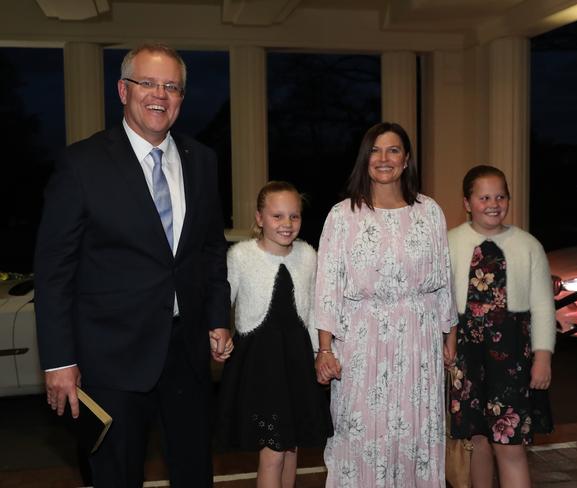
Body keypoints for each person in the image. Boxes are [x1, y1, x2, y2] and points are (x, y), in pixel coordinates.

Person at [34, 43, 232, 488]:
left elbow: (210, 249)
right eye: (148, 83)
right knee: (116, 477)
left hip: (188, 355)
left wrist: (218, 316)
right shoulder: (81, 164)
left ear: (181, 97)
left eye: (171, 86)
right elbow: (53, 272)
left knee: (195, 472)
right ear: (123, 90)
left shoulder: (203, 160)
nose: (159, 94)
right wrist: (59, 361)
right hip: (110, 361)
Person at [314, 122, 457, 487]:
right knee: (360, 434)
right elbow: (327, 286)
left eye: (393, 150)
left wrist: (449, 336)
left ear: (406, 160)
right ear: (365, 159)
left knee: (415, 431)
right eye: (375, 151)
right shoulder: (342, 215)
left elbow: (444, 279)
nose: (384, 158)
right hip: (362, 343)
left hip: (418, 344)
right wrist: (324, 348)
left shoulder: (430, 212)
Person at [216, 181, 332, 488]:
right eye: (277, 216)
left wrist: (322, 352)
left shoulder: (308, 255)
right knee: (273, 451)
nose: (287, 224)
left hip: (296, 362)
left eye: (294, 216)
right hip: (259, 364)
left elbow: (317, 309)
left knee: (290, 446)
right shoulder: (240, 256)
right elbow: (221, 302)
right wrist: (220, 335)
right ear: (259, 218)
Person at [447, 165, 556, 488]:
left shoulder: (528, 245)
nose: (493, 203)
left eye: (500, 196)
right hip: (466, 357)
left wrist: (543, 356)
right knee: (477, 441)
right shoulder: (449, 242)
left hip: (513, 358)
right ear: (467, 202)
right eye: (484, 197)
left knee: (510, 445)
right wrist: (445, 342)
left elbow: (542, 306)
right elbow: (440, 303)